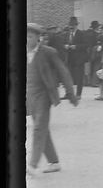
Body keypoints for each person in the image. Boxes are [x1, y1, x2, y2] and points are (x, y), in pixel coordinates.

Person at [26, 22, 78, 177]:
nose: (27, 40)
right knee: (42, 128)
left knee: (38, 129)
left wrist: (71, 93)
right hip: (30, 96)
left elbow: (63, 72)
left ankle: (33, 164)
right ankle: (54, 162)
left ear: (38, 38)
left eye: (30, 37)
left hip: (44, 95)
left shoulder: (48, 52)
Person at [63, 16, 90, 98]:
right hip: (69, 58)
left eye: (73, 26)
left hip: (79, 59)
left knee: (79, 77)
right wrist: (65, 46)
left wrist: (76, 47)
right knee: (68, 77)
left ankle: (78, 94)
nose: (71, 28)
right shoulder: (67, 34)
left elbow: (86, 45)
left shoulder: (81, 34)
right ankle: (69, 93)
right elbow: (62, 43)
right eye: (70, 26)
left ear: (76, 25)